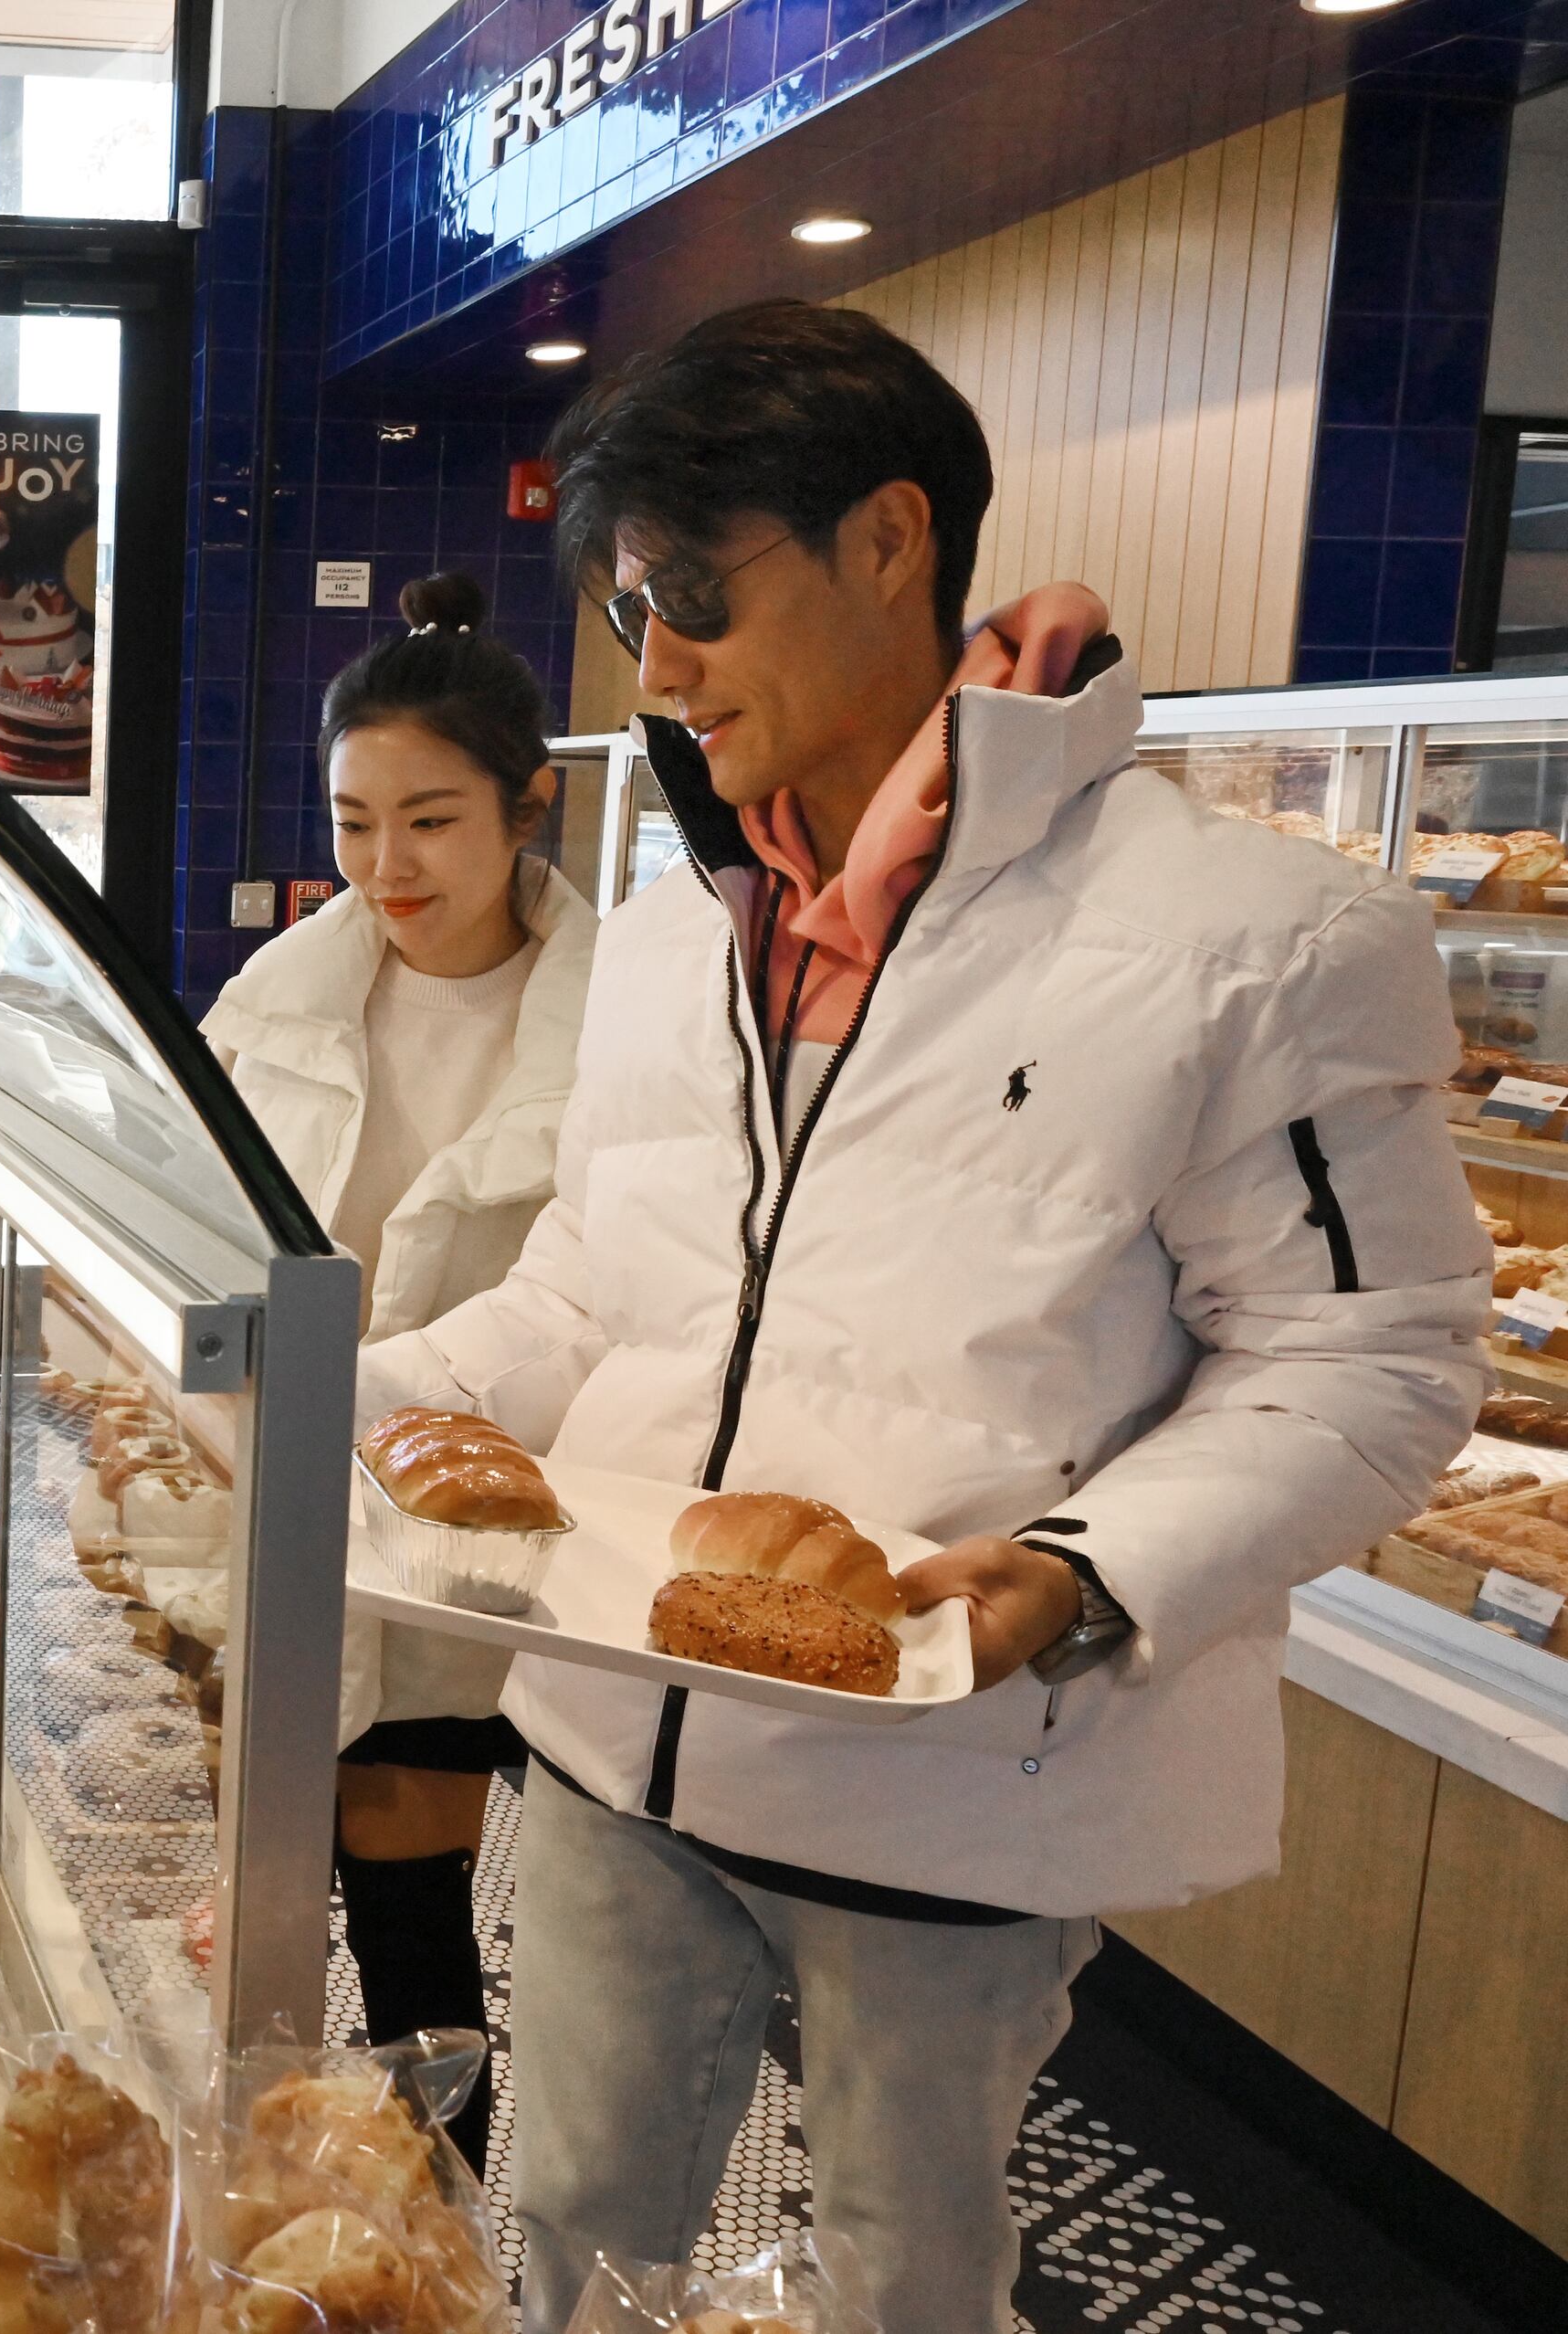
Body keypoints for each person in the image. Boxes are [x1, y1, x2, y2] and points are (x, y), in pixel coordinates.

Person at [355, 301, 1485, 2332]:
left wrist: (1082, 1571)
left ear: (891, 542)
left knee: (905, 2275)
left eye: (695, 594)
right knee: (580, 2231)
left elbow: (1378, 1359)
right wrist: (344, 1397)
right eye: (631, 612)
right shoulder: (688, 924)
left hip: (963, 1763)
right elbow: (604, 1293)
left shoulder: (1254, 937)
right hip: (621, 1731)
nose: (661, 664)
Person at [200, 570, 594, 2172]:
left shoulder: (623, 1024)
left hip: (467, 1522)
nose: (384, 867)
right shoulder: (277, 999)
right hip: (280, 1499)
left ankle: (433, 2235)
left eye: (429, 820)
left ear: (528, 805)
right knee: (271, 1910)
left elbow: (618, 1294)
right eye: (356, 821)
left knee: (411, 1897)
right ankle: (268, 2224)